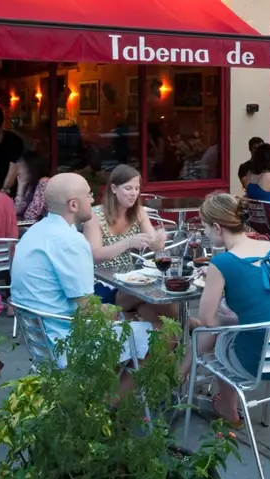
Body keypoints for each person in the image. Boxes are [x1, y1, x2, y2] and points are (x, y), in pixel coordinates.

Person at [182, 192, 270, 428]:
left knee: (211, 332)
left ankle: (222, 405)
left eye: (205, 228)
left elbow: (208, 319)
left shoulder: (222, 263)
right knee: (225, 321)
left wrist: (217, 277)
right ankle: (182, 374)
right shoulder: (269, 246)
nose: (205, 233)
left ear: (217, 228)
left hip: (257, 361)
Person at [11, 172, 150, 371]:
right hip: (68, 343)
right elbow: (88, 310)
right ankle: (110, 400)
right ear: (73, 205)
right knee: (162, 334)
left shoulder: (35, 231)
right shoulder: (71, 241)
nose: (93, 200)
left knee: (135, 320)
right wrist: (126, 316)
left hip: (41, 340)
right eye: (88, 195)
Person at [82, 164, 168, 325]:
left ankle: (187, 329)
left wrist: (158, 242)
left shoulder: (138, 212)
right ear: (113, 188)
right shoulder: (95, 216)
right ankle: (194, 326)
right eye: (128, 188)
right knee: (159, 297)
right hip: (102, 285)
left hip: (130, 281)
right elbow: (94, 256)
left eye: (137, 188)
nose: (134, 193)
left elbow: (154, 246)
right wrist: (128, 242)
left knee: (163, 314)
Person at [14, 152, 50, 222]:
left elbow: (31, 215)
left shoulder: (44, 182)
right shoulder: (31, 184)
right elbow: (17, 211)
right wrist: (20, 189)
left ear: (31, 168)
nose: (18, 172)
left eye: (21, 168)